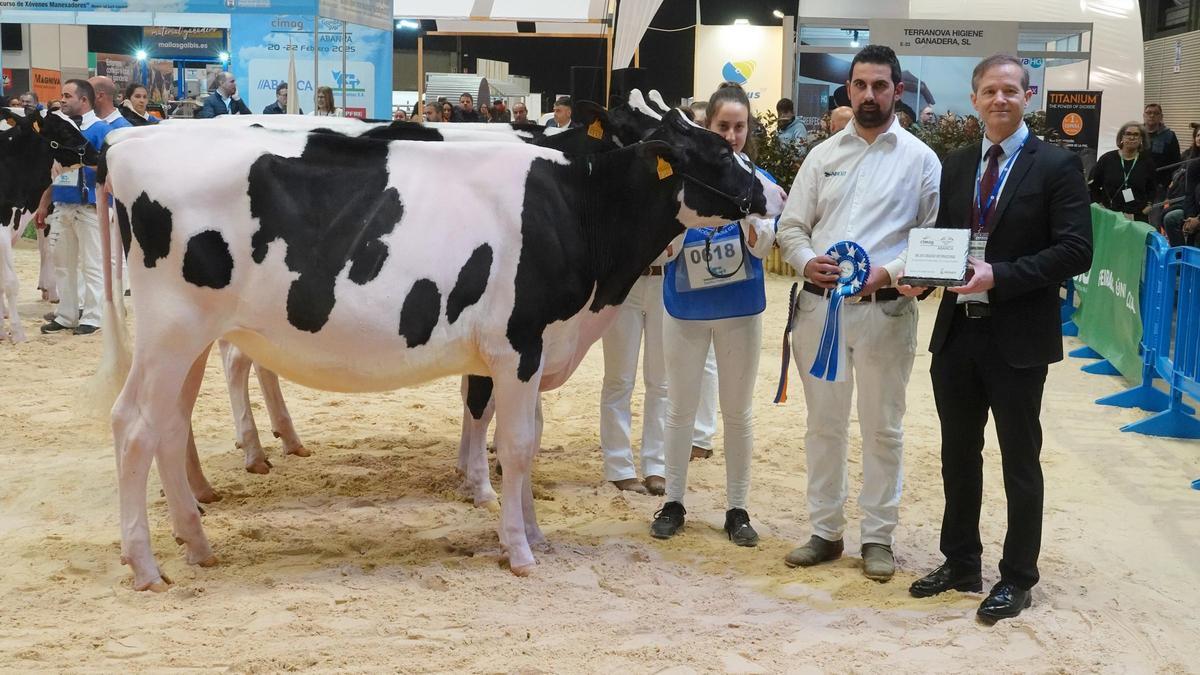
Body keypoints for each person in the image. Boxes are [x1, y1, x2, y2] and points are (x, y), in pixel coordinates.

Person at [903, 53, 1092, 624]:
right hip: (958, 333)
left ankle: (1017, 577)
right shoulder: (956, 163)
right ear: (975, 97)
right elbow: (943, 237)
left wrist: (1000, 276)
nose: (1000, 100)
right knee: (957, 456)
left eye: (1010, 90)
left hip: (1018, 340)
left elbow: (1076, 251)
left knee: (1019, 460)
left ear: (1027, 96)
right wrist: (922, 274)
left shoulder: (1058, 165)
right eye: (989, 91)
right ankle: (961, 562)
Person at [776, 44, 940, 582]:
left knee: (883, 429)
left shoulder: (921, 160)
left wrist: (887, 273)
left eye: (880, 86)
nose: (869, 95)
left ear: (898, 90)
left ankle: (877, 538)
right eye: (860, 85)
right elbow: (792, 227)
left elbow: (931, 240)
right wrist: (804, 261)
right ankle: (825, 531)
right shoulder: (821, 157)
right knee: (823, 427)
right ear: (848, 89)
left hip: (885, 316)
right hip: (820, 313)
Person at [649, 81, 778, 548]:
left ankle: (737, 508)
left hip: (739, 309)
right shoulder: (680, 186)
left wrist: (751, 225)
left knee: (738, 413)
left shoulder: (760, 184)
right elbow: (661, 252)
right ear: (707, 127)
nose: (731, 135)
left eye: (739, 126)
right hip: (684, 308)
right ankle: (674, 501)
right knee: (679, 409)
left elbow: (766, 244)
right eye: (723, 126)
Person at [35, 79, 114, 336]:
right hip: (63, 201)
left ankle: (94, 315)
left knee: (92, 264)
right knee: (63, 264)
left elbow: (108, 167)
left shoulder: (101, 129)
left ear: (84, 100)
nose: (63, 100)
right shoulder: (58, 129)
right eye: (62, 95)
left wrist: (80, 164)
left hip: (91, 204)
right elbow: (54, 171)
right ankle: (67, 313)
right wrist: (45, 202)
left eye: (68, 96)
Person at [1088, 122, 1156, 221]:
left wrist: (1147, 207)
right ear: (1122, 137)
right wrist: (1100, 205)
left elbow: (1152, 188)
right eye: (1128, 134)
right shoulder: (1107, 159)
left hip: (1136, 217)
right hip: (1109, 215)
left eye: (1136, 135)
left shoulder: (1147, 162)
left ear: (1141, 139)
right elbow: (1094, 185)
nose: (1132, 138)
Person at [1162, 124, 1200, 246]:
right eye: (1198, 135)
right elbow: (1189, 193)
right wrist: (1191, 218)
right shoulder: (1191, 161)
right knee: (1170, 218)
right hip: (1192, 205)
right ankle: (1179, 256)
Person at [1144, 103, 1180, 191]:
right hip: (1137, 181)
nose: (1152, 115)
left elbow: (1176, 162)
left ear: (1161, 117)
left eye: (1156, 113)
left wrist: (1165, 183)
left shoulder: (1169, 135)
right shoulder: (1136, 134)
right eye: (1148, 113)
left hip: (1159, 185)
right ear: (1144, 115)